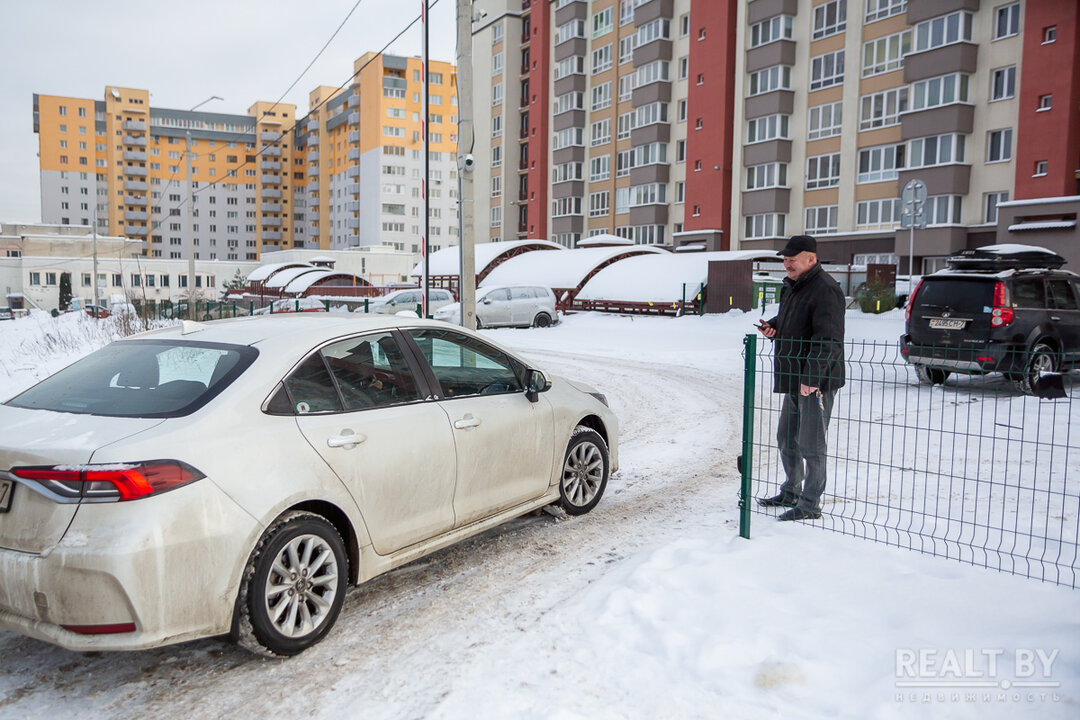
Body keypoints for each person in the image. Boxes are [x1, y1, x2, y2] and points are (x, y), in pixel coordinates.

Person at [755, 235, 845, 521]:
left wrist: (812, 378)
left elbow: (828, 340)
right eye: (785, 258)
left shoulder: (826, 289)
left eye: (793, 258)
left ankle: (810, 503)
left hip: (815, 382)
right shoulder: (794, 287)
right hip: (795, 376)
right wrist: (774, 327)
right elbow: (792, 320)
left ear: (811, 259)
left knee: (811, 444)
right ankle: (791, 490)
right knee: (786, 437)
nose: (787, 263)